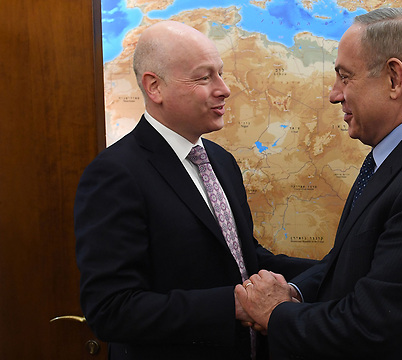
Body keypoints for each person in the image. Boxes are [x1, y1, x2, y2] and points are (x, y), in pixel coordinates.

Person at [235, 7, 402, 360]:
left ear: (394, 78)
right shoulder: (399, 155)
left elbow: (371, 323)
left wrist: (275, 313)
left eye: (346, 77)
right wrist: (294, 293)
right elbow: (349, 264)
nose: (334, 94)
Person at [74, 21, 316, 360]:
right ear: (154, 87)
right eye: (205, 78)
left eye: (220, 73)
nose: (224, 89)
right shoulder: (115, 174)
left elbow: (243, 259)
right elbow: (111, 309)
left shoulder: (220, 161)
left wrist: (337, 269)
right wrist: (234, 304)